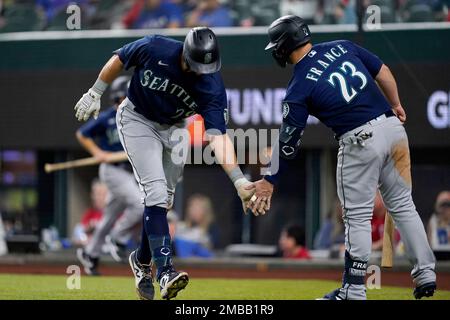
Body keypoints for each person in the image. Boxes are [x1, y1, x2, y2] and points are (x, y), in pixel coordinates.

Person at [248, 15, 436, 300]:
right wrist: (395, 103)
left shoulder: (299, 85)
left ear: (285, 45)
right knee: (403, 205)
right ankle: (425, 274)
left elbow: (288, 141)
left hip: (359, 140)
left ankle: (354, 289)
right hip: (392, 128)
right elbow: (382, 70)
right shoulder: (342, 45)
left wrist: (270, 179)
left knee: (357, 217)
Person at [73, 27, 255, 300]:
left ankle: (142, 260)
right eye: (194, 65)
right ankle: (166, 271)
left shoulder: (212, 85)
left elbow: (218, 137)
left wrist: (239, 179)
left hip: (175, 128)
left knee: (162, 202)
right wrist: (95, 91)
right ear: (185, 52)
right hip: (137, 119)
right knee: (155, 193)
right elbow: (120, 59)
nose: (199, 72)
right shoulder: (156, 47)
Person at [76, 76, 144, 275]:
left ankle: (90, 253)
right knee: (140, 205)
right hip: (113, 170)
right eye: (121, 99)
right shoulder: (107, 118)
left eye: (127, 98)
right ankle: (118, 237)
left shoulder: (137, 120)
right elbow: (82, 134)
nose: (121, 103)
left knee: (109, 217)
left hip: (126, 171)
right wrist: (97, 153)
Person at [72, 179, 106, 246]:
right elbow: (78, 233)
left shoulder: (115, 213)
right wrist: (88, 228)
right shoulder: (90, 212)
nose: (96, 197)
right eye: (94, 194)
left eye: (100, 194)